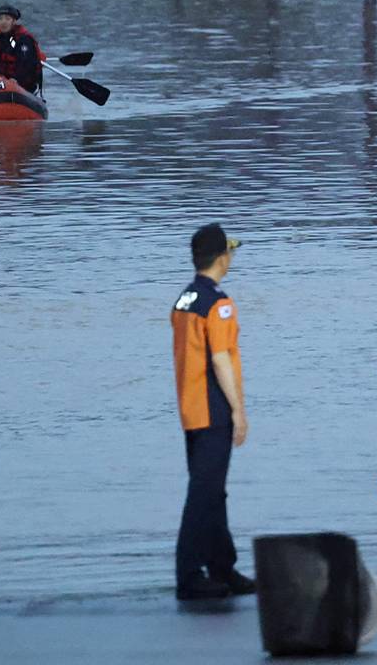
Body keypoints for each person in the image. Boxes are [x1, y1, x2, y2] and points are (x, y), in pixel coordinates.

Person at [170, 224, 255, 601]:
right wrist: (238, 410)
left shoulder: (185, 299)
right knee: (203, 492)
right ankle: (189, 574)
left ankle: (221, 565)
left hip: (190, 406)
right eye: (231, 252)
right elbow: (220, 359)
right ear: (223, 257)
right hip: (213, 406)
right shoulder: (219, 304)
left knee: (212, 490)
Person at [0, 4, 43, 94]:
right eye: (0, 19)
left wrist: (16, 79)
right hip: (4, 83)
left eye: (7, 19)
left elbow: (26, 65)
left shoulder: (24, 40)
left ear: (14, 21)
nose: (3, 22)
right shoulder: (0, 39)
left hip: (24, 86)